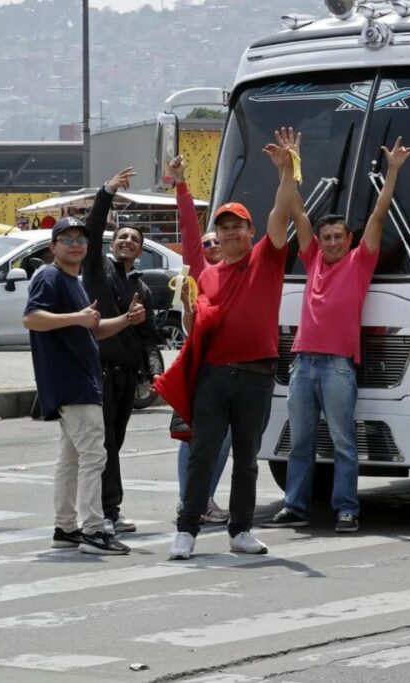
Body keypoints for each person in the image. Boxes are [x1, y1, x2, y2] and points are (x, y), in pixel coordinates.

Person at [262, 132, 410, 534]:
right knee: (299, 442)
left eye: (337, 238)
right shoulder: (312, 260)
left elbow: (380, 214)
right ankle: (295, 505)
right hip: (302, 363)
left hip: (337, 368)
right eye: (325, 237)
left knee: (345, 443)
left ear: (349, 241)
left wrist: (393, 171)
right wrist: (291, 164)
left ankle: (347, 509)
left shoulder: (359, 263)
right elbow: (295, 212)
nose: (330, 243)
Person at [167, 130, 292, 561]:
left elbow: (282, 212)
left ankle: (240, 530)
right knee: (202, 455)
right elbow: (188, 233)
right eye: (222, 227)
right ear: (216, 235)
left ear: (249, 231)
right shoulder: (207, 271)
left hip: (257, 375)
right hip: (214, 377)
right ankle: (187, 530)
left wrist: (287, 171)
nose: (229, 232)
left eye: (236, 225)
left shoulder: (266, 259)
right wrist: (181, 185)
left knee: (247, 459)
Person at [22, 217, 146, 556]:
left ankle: (66, 527)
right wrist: (75, 318)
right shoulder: (49, 276)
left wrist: (125, 320)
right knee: (95, 456)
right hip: (72, 381)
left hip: (80, 380)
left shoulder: (73, 281)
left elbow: (92, 329)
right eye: (67, 239)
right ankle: (93, 530)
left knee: (72, 459)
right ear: (53, 247)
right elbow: (32, 317)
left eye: (80, 239)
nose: (75, 244)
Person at [81, 167, 165, 535]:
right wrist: (106, 192)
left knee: (115, 443)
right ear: (112, 243)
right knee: (105, 445)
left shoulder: (142, 288)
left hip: (127, 377)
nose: (127, 241)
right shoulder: (98, 270)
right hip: (99, 372)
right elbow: (93, 229)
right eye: (122, 236)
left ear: (142, 250)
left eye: (134, 238)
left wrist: (154, 374)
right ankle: (106, 512)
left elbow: (149, 337)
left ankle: (109, 508)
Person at [169, 155, 232, 525]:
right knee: (191, 437)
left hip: (231, 367)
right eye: (207, 243)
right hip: (199, 365)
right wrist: (181, 185)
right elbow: (189, 229)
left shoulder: (242, 274)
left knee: (223, 440)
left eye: (217, 241)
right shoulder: (199, 274)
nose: (211, 245)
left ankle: (204, 497)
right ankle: (188, 500)